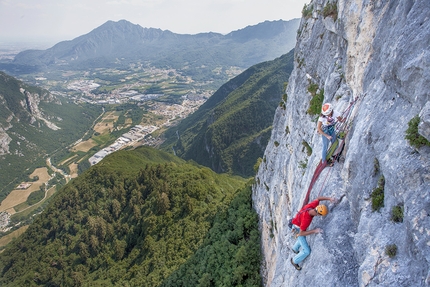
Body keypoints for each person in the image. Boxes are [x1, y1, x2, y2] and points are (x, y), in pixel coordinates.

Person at [290, 196, 336, 271]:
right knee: (307, 251)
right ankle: (294, 261)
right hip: (297, 229)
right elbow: (301, 233)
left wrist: (330, 198)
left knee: (302, 239)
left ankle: (295, 248)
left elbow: (318, 198)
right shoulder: (306, 219)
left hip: (295, 223)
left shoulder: (312, 206)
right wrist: (314, 231)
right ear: (319, 214)